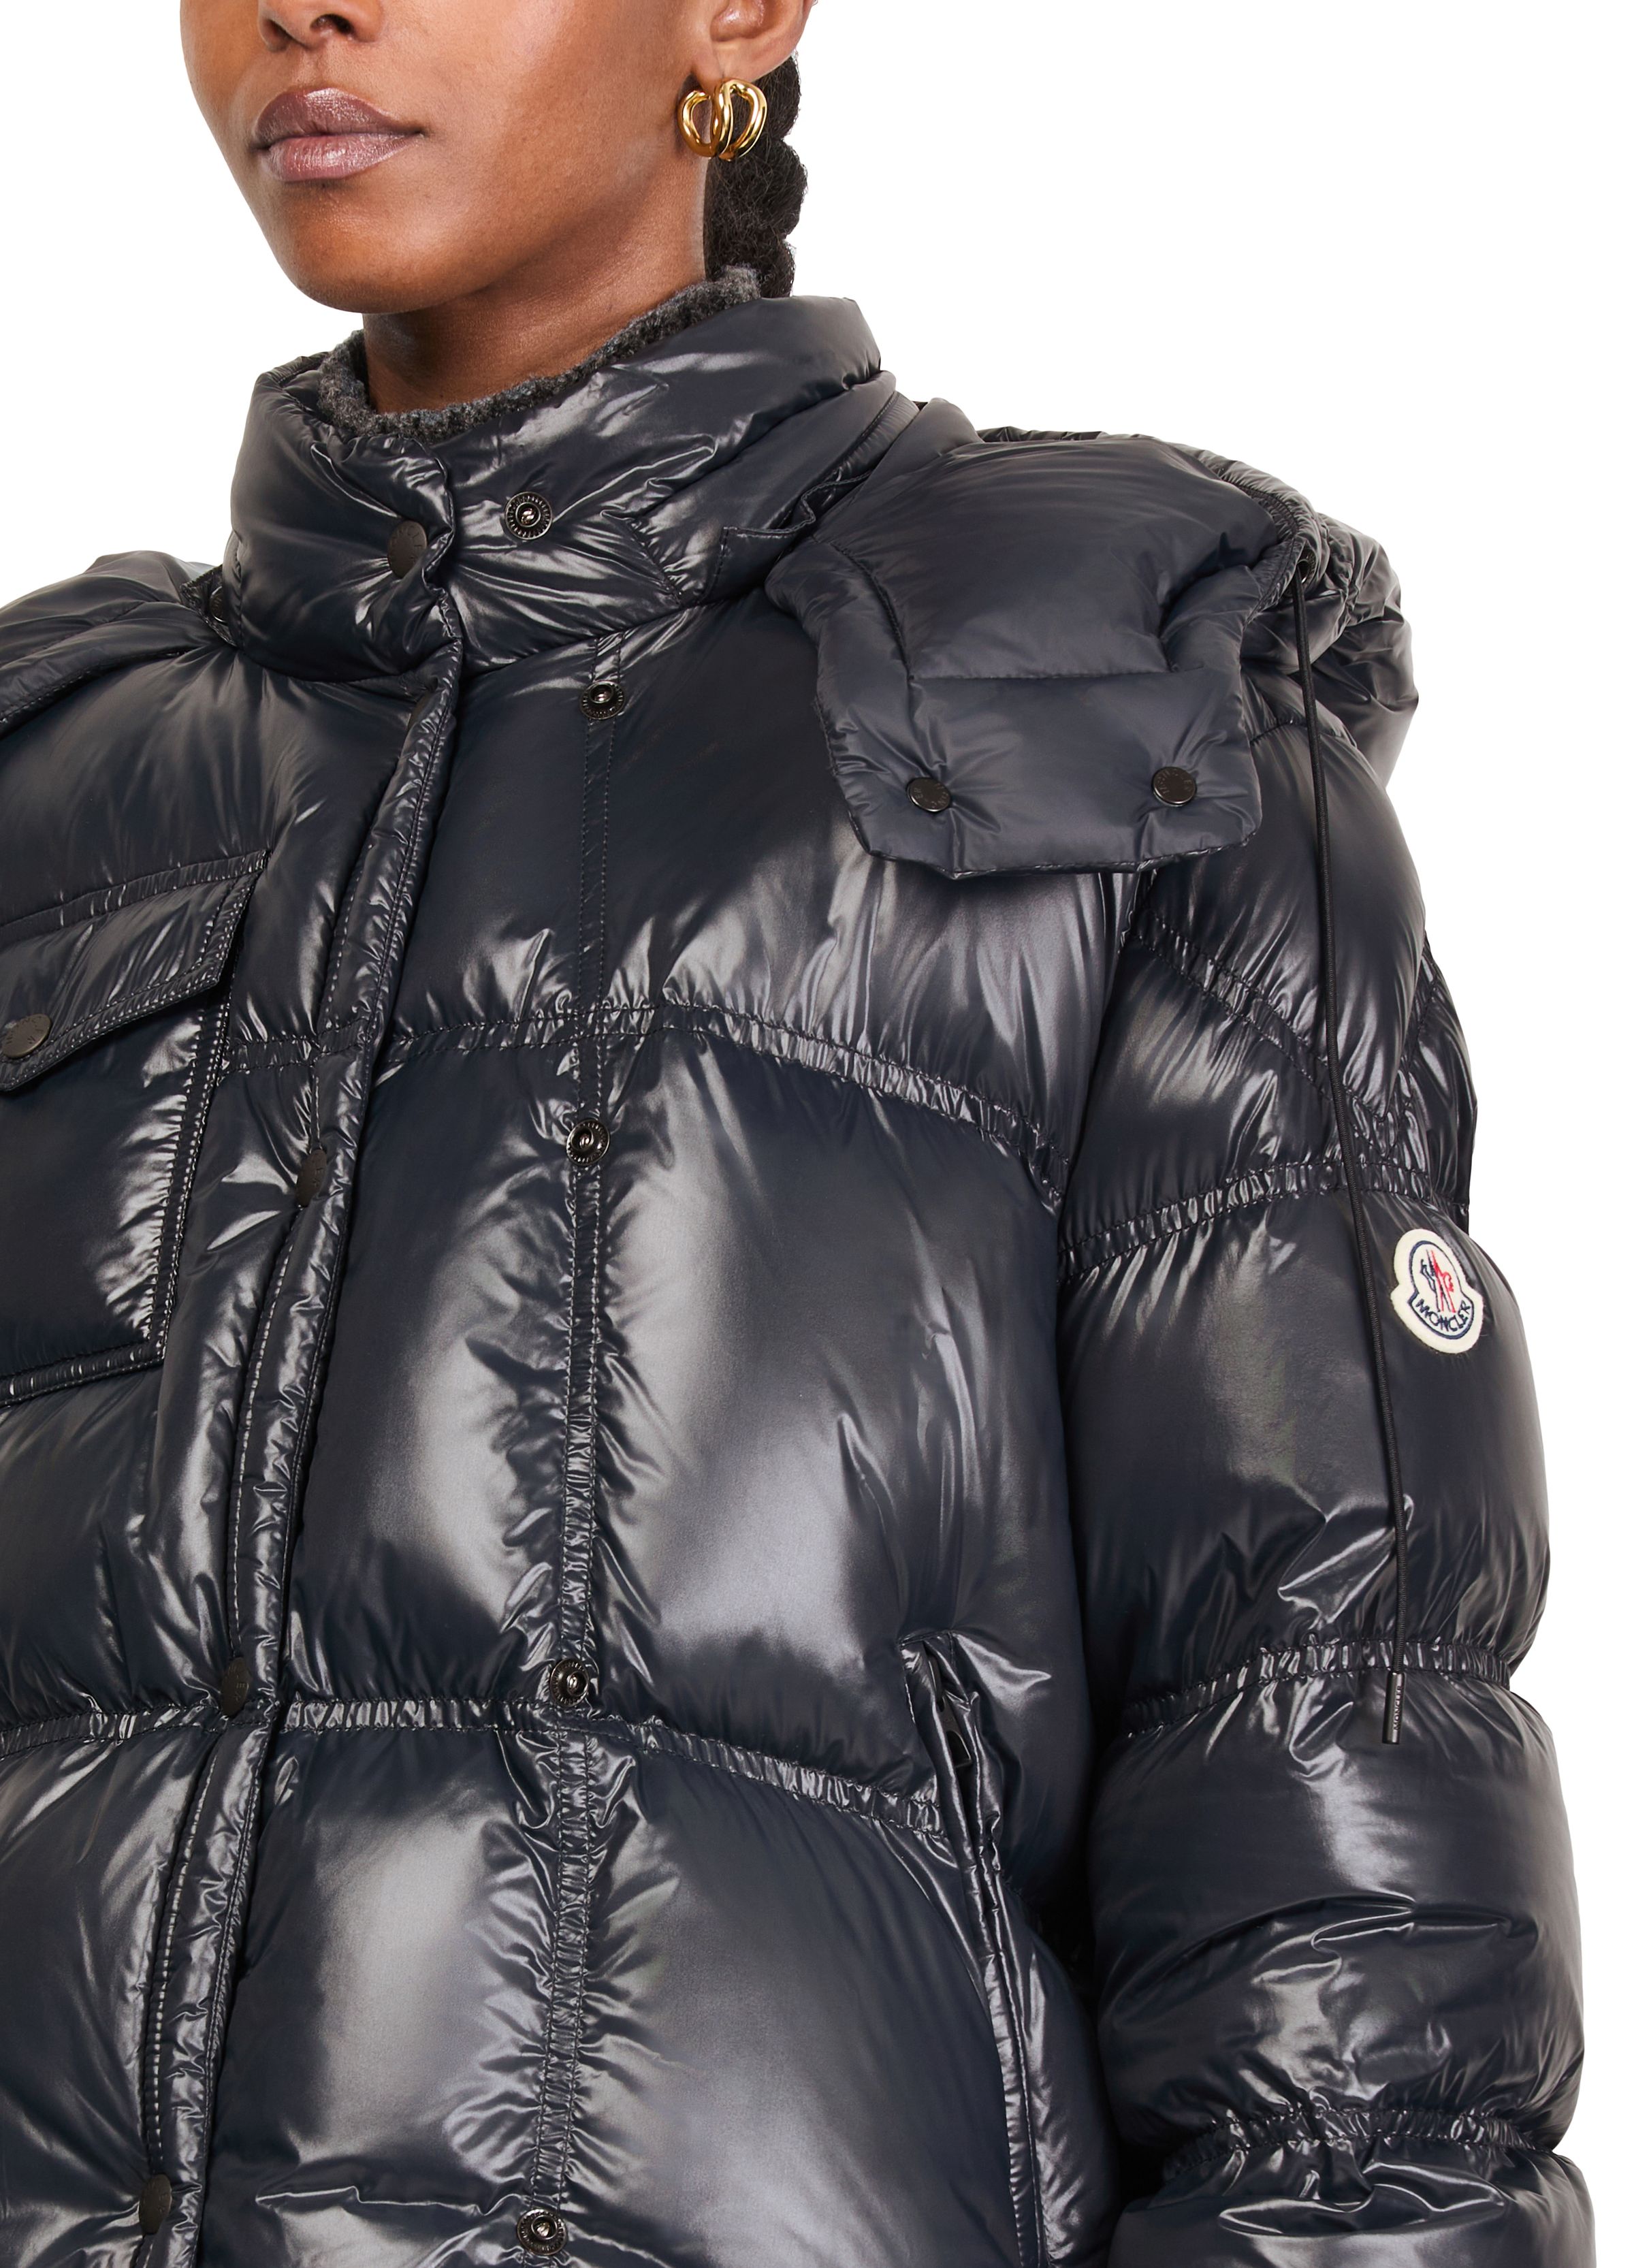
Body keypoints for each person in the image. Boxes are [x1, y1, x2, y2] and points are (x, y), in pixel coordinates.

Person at [0, 0, 1590, 2261]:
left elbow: (1335, 1816)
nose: (306, 7)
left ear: (739, 12)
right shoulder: (58, 779)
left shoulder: (1091, 705)